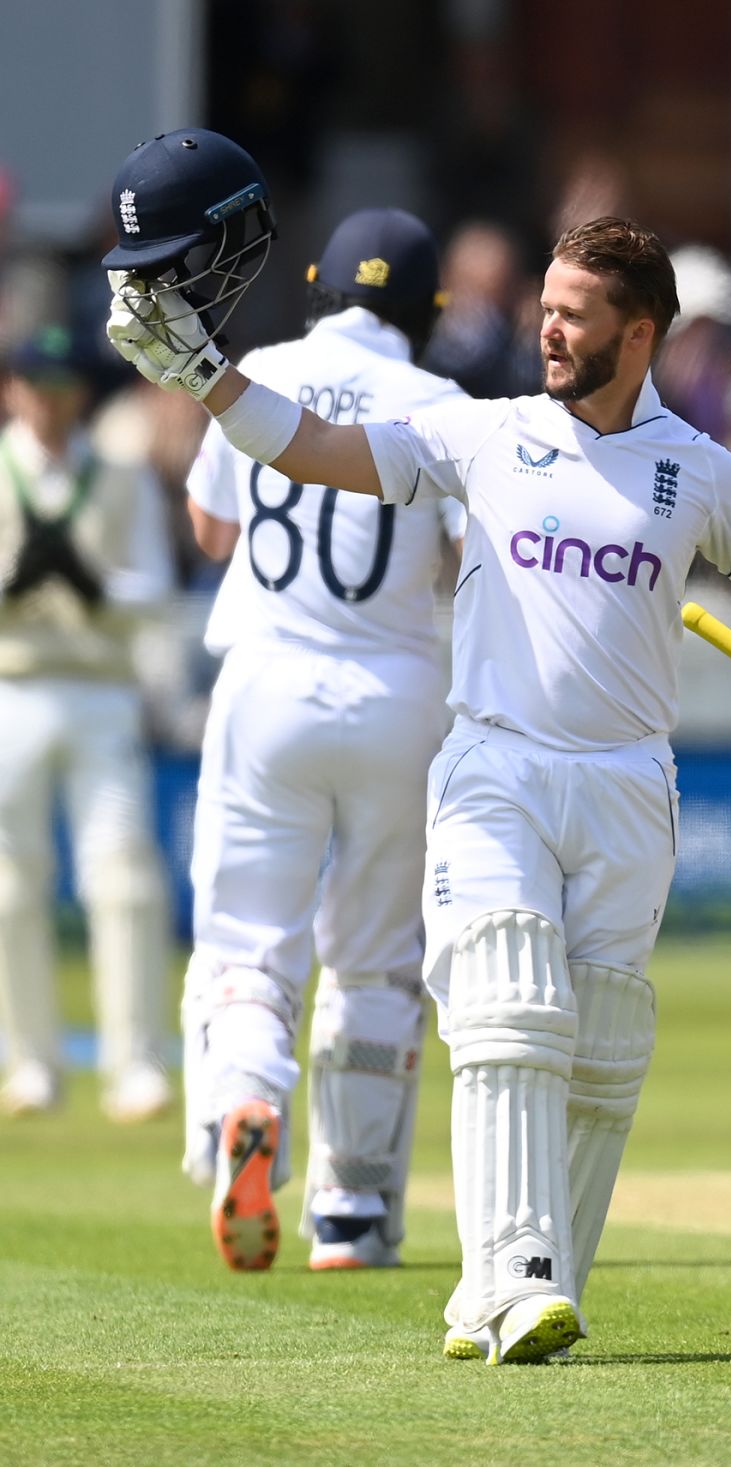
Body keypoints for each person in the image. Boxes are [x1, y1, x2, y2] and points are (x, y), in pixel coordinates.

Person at [104, 135, 731, 1361]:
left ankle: (512, 1290)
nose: (551, 335)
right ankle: (520, 1274)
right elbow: (310, 447)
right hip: (496, 766)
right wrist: (207, 379)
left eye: (577, 319)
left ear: (642, 337)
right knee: (507, 1003)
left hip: (630, 782)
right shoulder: (483, 436)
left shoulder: (703, 475)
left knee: (604, 1044)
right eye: (545, 312)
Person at [158, 190, 466, 1261]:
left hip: (269, 683)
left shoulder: (266, 374)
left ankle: (246, 1106)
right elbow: (465, 566)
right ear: (428, 308)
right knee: (378, 961)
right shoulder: (439, 398)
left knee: (248, 941)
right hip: (397, 696)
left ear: (317, 291)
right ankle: (355, 1208)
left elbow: (209, 526)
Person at [0, 323, 174, 1121]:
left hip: (101, 689)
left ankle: (133, 1062)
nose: (51, 402)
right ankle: (29, 1061)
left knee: (125, 878)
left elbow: (156, 588)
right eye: (39, 386)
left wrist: (95, 586)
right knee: (10, 886)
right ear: (14, 390)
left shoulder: (120, 472)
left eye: (65, 387)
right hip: (15, 686)